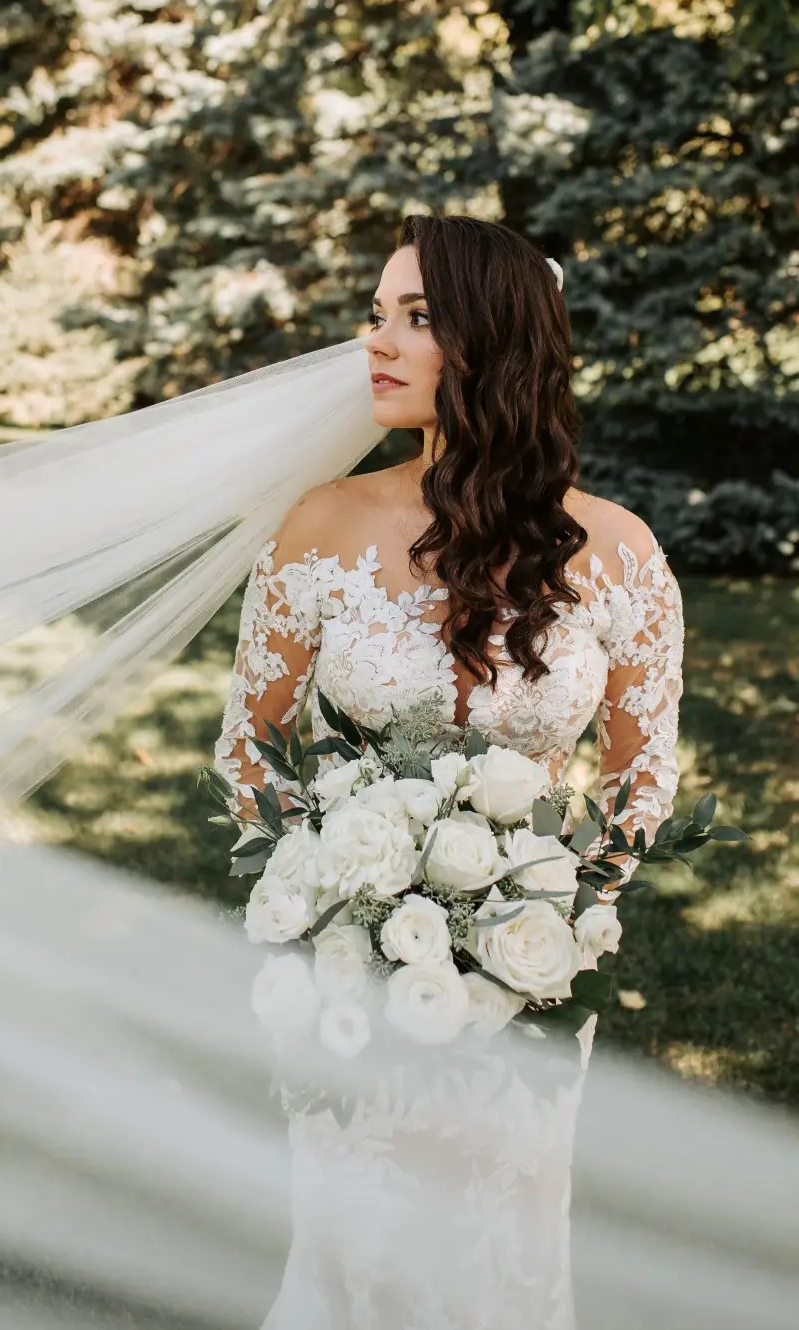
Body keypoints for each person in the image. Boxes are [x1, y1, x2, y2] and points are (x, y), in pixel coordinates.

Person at [212, 212, 686, 1328]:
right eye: (375, 314)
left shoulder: (619, 552)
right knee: (354, 1252)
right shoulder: (322, 525)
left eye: (416, 318)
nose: (375, 341)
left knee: (506, 1256)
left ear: (496, 343)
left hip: (524, 991)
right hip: (346, 994)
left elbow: (639, 779)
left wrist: (544, 929)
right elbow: (248, 751)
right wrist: (341, 911)